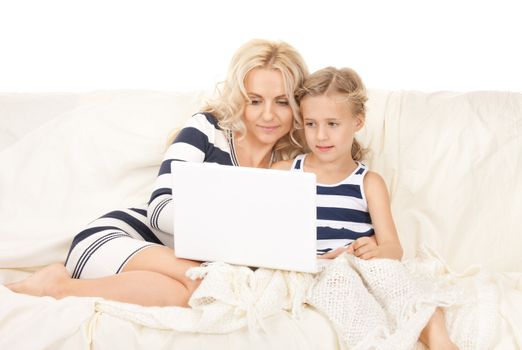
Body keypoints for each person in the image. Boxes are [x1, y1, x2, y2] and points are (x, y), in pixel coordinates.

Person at [6, 38, 309, 307]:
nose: (268, 115)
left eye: (282, 102)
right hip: (115, 240)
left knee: (187, 294)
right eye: (254, 101)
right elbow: (160, 210)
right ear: (238, 99)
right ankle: (56, 287)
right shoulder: (206, 130)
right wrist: (232, 228)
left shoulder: (293, 163)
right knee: (206, 282)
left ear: (297, 104)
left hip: (172, 267)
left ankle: (59, 288)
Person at [271, 66, 458, 349]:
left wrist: (372, 251)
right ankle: (379, 342)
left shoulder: (368, 182)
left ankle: (438, 338)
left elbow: (393, 249)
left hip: (361, 265)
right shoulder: (285, 172)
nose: (320, 135)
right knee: (343, 286)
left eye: (332, 124)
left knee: (399, 280)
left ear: (357, 122)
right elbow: (268, 235)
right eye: (311, 124)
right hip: (316, 269)